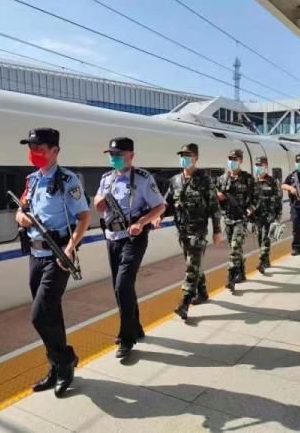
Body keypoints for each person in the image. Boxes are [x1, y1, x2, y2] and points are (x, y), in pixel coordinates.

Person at [16, 128, 91, 397]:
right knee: (51, 315)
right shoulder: (32, 180)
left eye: (39, 148)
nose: (33, 153)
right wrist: (22, 218)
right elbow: (20, 210)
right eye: (31, 148)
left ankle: (65, 360)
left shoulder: (68, 180)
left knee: (39, 316)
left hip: (58, 257)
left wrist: (70, 248)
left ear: (55, 151)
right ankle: (57, 367)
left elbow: (84, 217)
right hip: (35, 256)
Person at [94, 137, 165, 358]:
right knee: (120, 286)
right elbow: (98, 202)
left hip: (134, 238)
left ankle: (126, 338)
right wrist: (98, 202)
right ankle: (136, 326)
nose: (114, 158)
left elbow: (160, 206)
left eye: (119, 155)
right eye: (112, 155)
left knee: (122, 284)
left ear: (131, 155)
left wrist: (141, 223)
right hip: (112, 236)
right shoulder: (106, 179)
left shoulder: (143, 179)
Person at [158, 143, 222, 320]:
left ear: (196, 158)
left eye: (188, 155)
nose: (184, 158)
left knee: (191, 266)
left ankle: (184, 303)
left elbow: (214, 206)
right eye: (182, 155)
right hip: (182, 231)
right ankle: (202, 292)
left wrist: (217, 230)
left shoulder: (205, 180)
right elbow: (166, 203)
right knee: (194, 263)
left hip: (198, 231)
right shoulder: (174, 181)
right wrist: (159, 216)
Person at [216, 149, 258, 292]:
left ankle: (231, 278)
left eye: (235, 159)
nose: (232, 161)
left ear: (241, 160)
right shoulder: (222, 179)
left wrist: (250, 210)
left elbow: (256, 197)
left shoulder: (248, 178)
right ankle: (241, 273)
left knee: (235, 248)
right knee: (235, 248)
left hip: (241, 219)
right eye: (230, 158)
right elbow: (214, 195)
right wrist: (218, 196)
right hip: (227, 219)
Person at [253, 156, 282, 274]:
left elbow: (278, 198)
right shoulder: (253, 182)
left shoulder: (272, 181)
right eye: (257, 165)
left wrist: (278, 215)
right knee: (260, 239)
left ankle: (262, 263)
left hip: (269, 216)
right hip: (257, 216)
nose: (258, 167)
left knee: (265, 239)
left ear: (266, 166)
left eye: (260, 165)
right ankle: (267, 260)